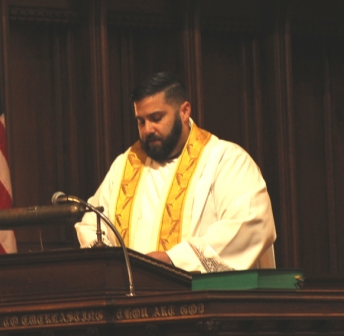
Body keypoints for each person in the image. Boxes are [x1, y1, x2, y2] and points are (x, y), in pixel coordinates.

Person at [75, 72, 276, 273]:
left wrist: (173, 260)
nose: (147, 129)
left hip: (205, 300)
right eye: (141, 121)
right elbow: (91, 224)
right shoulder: (124, 165)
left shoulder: (225, 161)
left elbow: (252, 224)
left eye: (156, 118)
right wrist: (115, 266)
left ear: (184, 111)